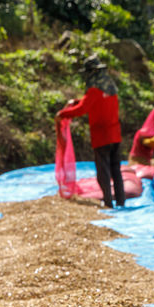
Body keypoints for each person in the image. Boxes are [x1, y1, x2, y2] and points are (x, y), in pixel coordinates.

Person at [57, 56, 124, 208]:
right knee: (116, 170)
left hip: (102, 136)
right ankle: (121, 201)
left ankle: (108, 203)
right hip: (115, 135)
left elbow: (83, 109)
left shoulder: (94, 90)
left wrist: (63, 114)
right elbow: (88, 103)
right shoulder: (111, 88)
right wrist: (76, 102)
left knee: (104, 172)